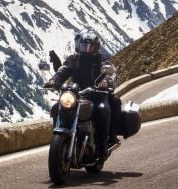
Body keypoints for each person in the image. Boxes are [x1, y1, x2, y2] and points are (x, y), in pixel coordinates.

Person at [44, 28, 121, 160]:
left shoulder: (102, 59)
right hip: (77, 94)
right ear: (79, 45)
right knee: (57, 107)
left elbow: (110, 72)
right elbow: (62, 71)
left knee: (103, 109)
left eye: (90, 46)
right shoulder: (73, 59)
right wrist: (53, 81)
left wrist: (106, 81)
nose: (87, 48)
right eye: (84, 45)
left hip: (98, 94)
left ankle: (103, 147)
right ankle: (61, 134)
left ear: (96, 47)